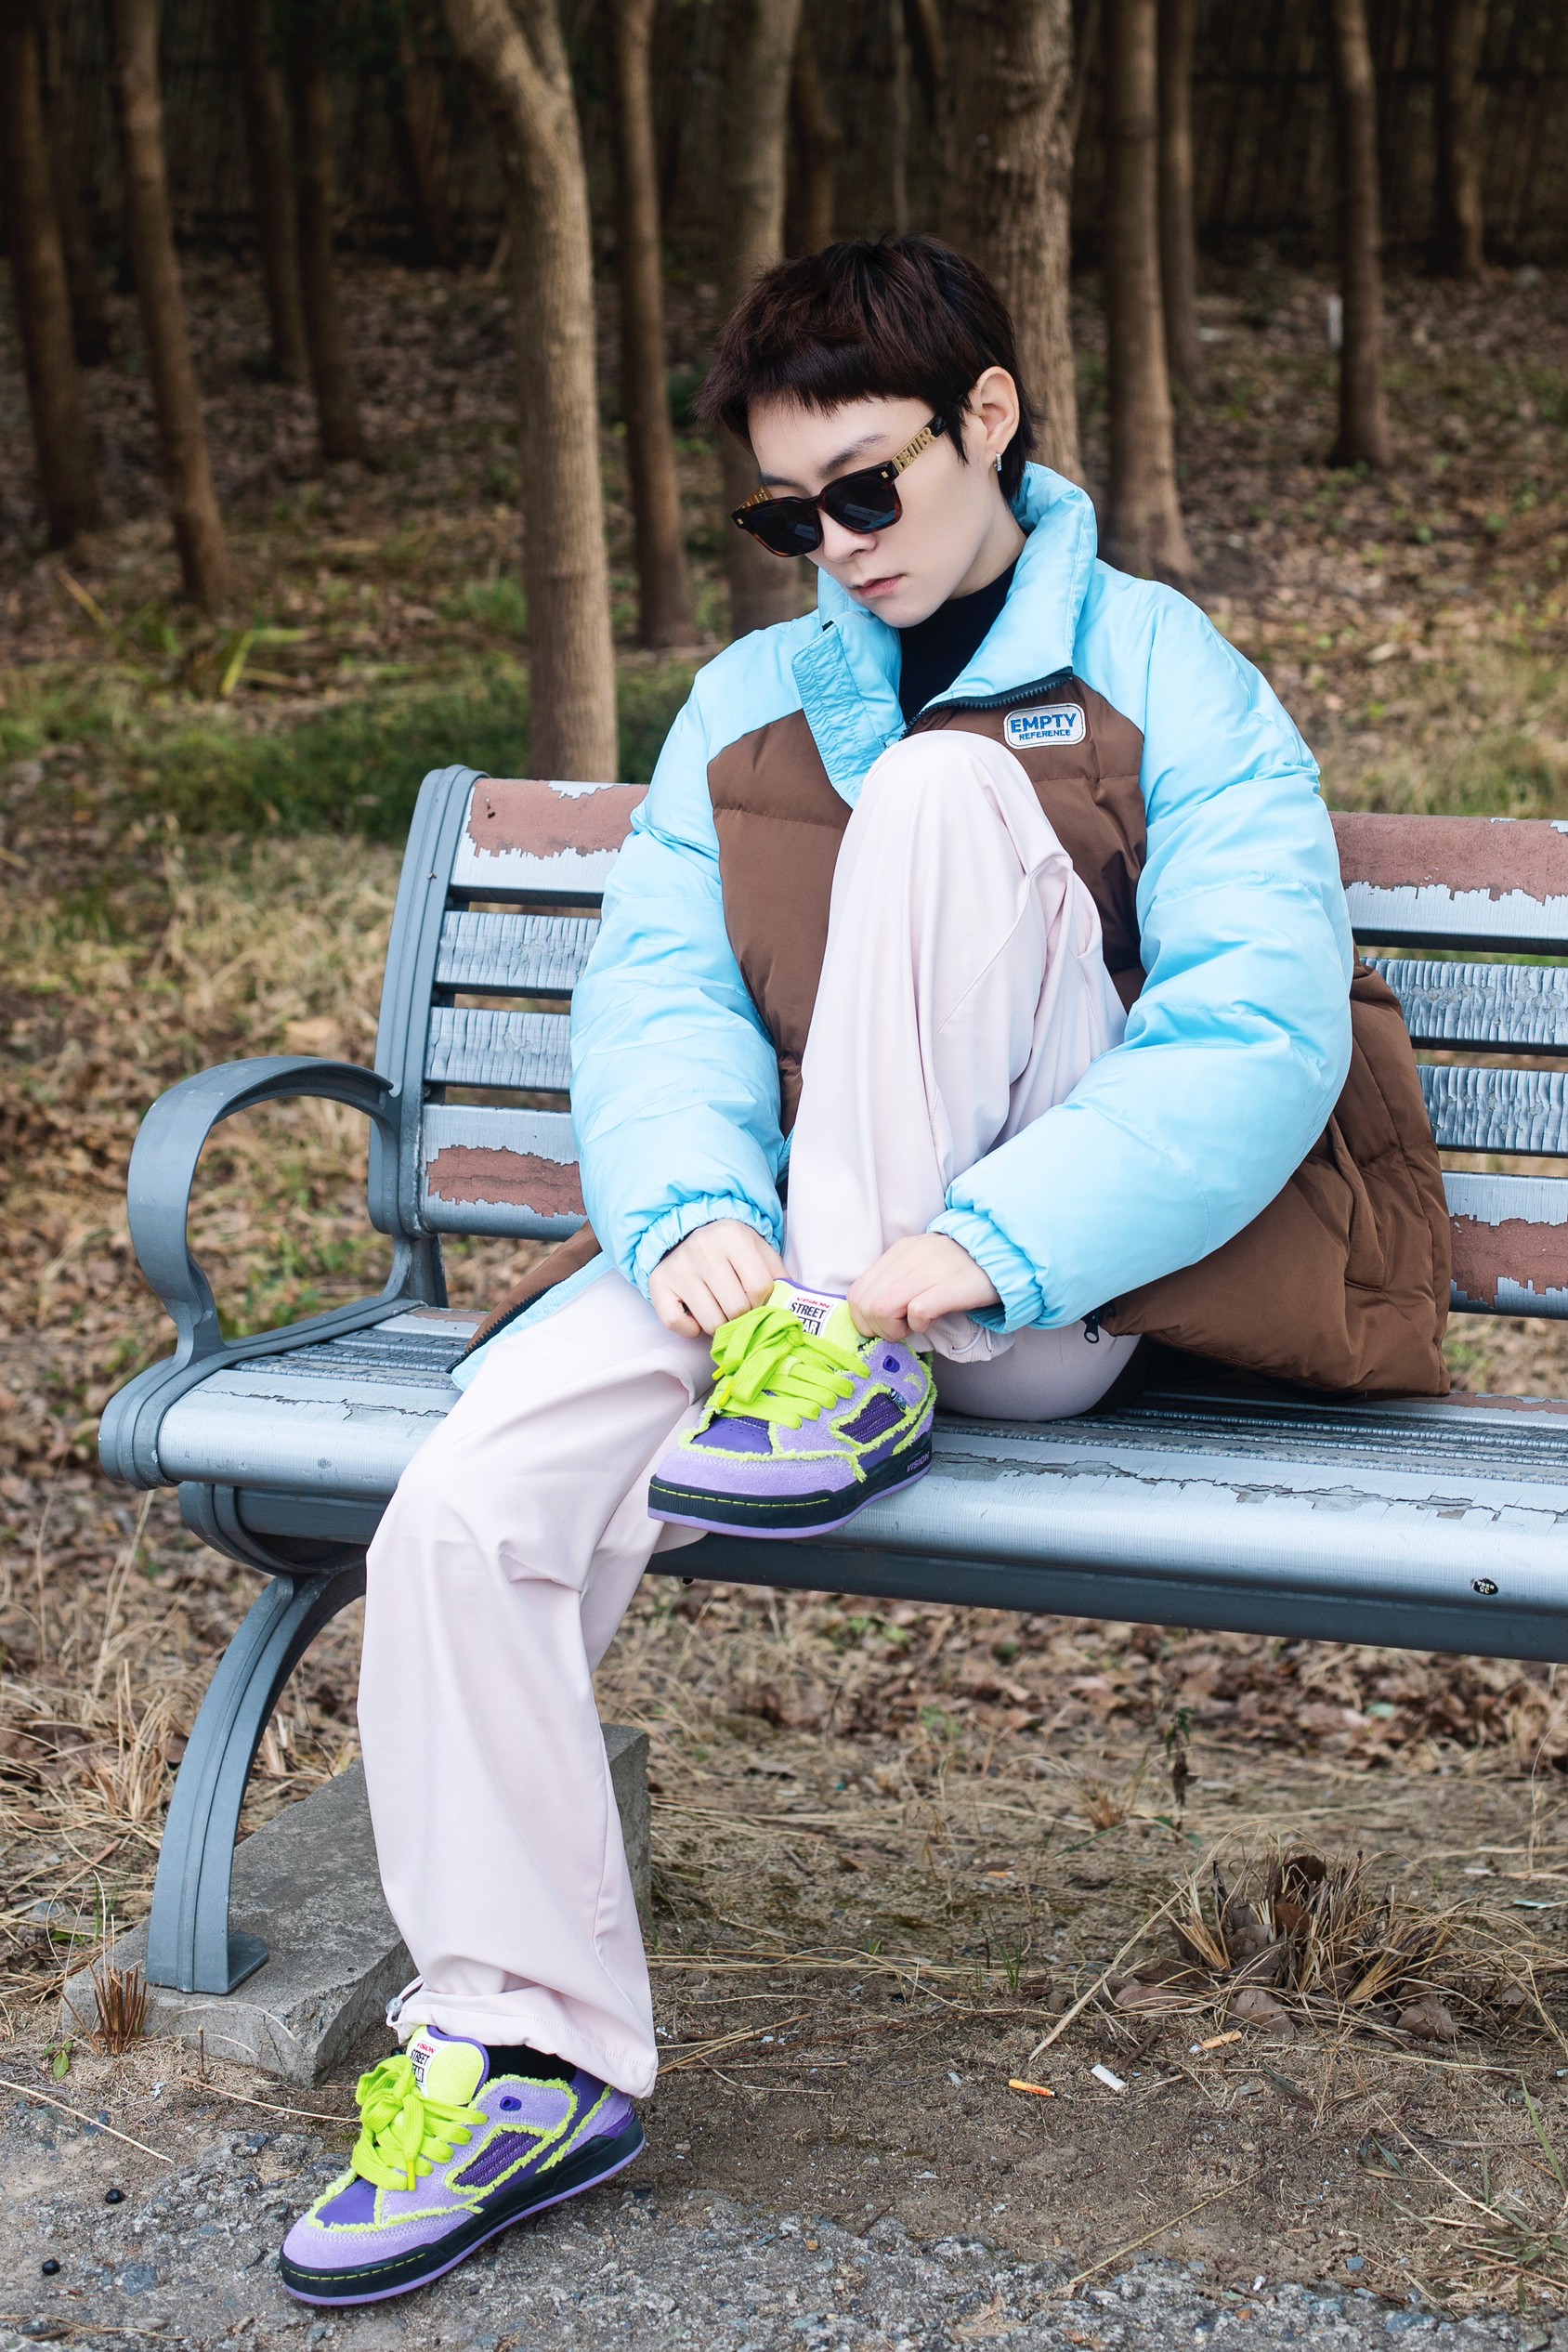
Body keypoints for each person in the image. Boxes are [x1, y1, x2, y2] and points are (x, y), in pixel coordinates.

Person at [277, 237, 1447, 2306]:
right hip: (789, 1320)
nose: (832, 545)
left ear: (989, 419)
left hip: (1026, 1305)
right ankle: (528, 2052)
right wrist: (682, 1215)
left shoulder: (1168, 669)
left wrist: (969, 1249)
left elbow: (1253, 1034)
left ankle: (848, 1345)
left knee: (940, 792)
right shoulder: (746, 705)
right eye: (785, 514)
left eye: (867, 488)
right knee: (463, 1505)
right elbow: (659, 1002)